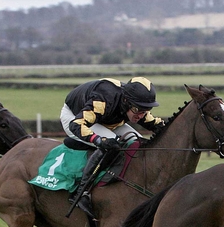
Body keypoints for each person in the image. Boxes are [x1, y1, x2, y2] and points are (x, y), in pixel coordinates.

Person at [61, 77, 165, 216]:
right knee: (111, 144)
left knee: (136, 141)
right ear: (126, 102)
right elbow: (77, 124)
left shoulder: (137, 107)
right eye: (138, 110)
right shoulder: (103, 101)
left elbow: (158, 125)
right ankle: (81, 193)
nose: (141, 115)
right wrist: (97, 140)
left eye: (146, 110)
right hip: (75, 116)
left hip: (107, 119)